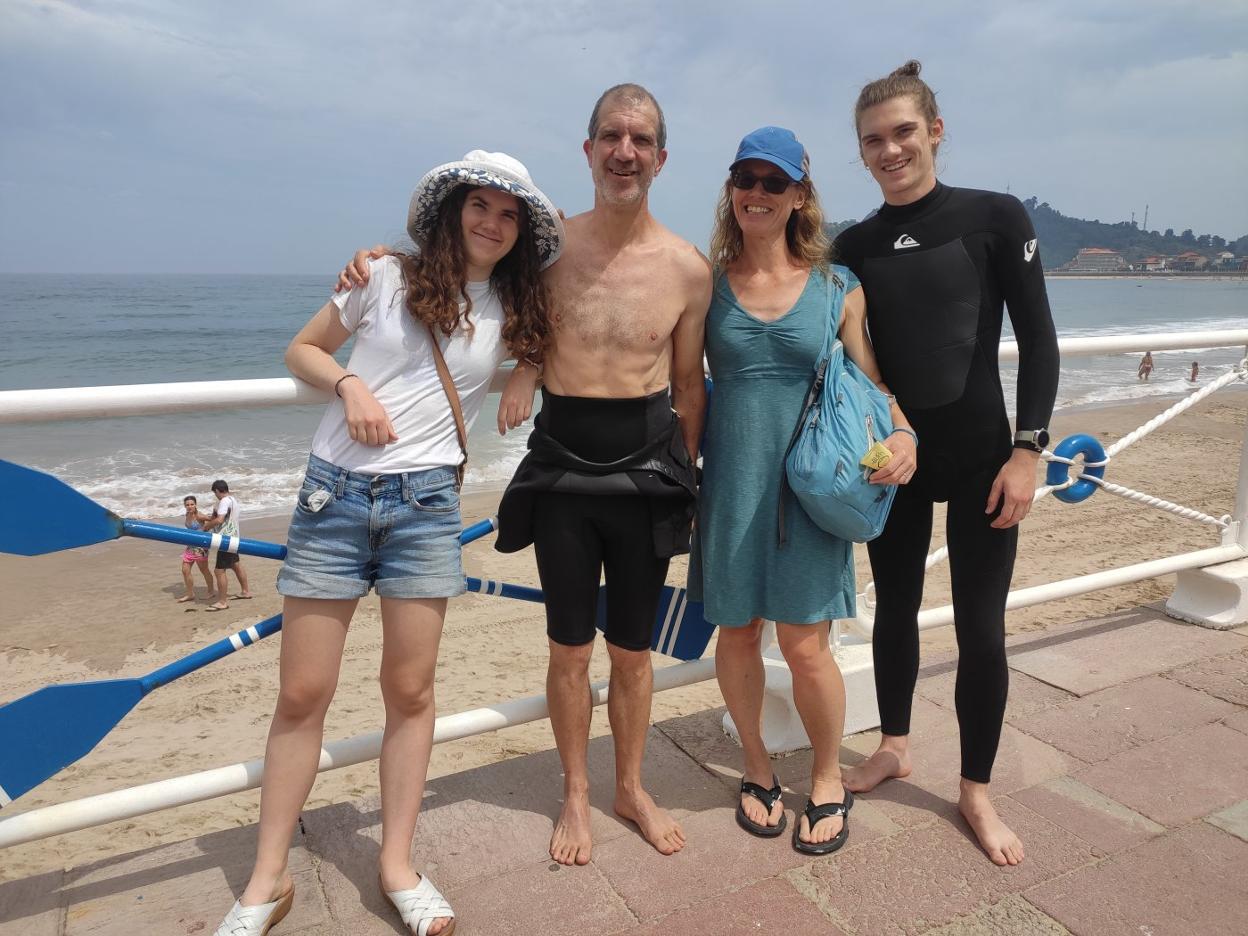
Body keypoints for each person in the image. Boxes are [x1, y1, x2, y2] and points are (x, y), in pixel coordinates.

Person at [341, 85, 711, 868]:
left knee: (635, 653)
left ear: (661, 157)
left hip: (648, 469)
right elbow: (467, 288)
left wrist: (693, 483)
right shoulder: (544, 252)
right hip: (564, 472)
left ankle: (631, 786)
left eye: (640, 140)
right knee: (570, 648)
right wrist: (379, 263)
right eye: (611, 136)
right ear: (588, 151)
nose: (625, 152)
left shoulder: (686, 268)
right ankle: (576, 789)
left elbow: (687, 389)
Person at [213, 150, 563, 936]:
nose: (492, 224)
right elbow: (301, 349)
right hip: (333, 496)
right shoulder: (383, 277)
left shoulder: (515, 302)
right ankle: (267, 880)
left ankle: (397, 864)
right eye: (480, 206)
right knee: (303, 693)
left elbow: (547, 339)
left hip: (427, 505)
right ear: (451, 210)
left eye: (509, 215)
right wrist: (348, 382)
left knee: (410, 693)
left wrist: (524, 371)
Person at [833, 61, 1059, 867]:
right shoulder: (851, 245)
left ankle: (975, 790)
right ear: (860, 153)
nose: (890, 149)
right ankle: (895, 744)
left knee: (981, 629)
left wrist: (1028, 453)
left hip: (980, 460)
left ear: (934, 131)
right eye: (873, 140)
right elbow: (848, 361)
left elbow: (1039, 340)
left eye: (903, 132)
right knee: (891, 610)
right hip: (895, 459)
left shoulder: (994, 218)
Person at [690, 127, 915, 855]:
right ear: (732, 190)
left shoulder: (834, 286)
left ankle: (825, 778)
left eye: (773, 181)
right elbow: (674, 379)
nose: (757, 192)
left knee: (807, 643)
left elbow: (873, 382)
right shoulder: (706, 280)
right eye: (745, 178)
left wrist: (905, 437)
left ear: (799, 196)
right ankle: (756, 768)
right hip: (728, 483)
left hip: (808, 485)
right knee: (739, 632)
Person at [201, 479, 253, 611]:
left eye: (215, 493)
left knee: (219, 571)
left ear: (218, 491)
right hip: (234, 538)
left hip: (225, 540)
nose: (216, 496)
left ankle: (222, 602)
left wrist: (207, 526)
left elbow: (219, 520)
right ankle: (245, 592)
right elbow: (222, 518)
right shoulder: (233, 500)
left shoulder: (224, 501)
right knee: (236, 565)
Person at [176, 494, 215, 603]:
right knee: (185, 570)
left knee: (204, 570)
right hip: (190, 546)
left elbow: (213, 519)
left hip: (200, 548)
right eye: (187, 505)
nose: (190, 506)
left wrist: (206, 529)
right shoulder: (187, 515)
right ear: (185, 506)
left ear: (195, 505)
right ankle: (190, 594)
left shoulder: (199, 515)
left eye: (192, 504)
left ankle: (211, 591)